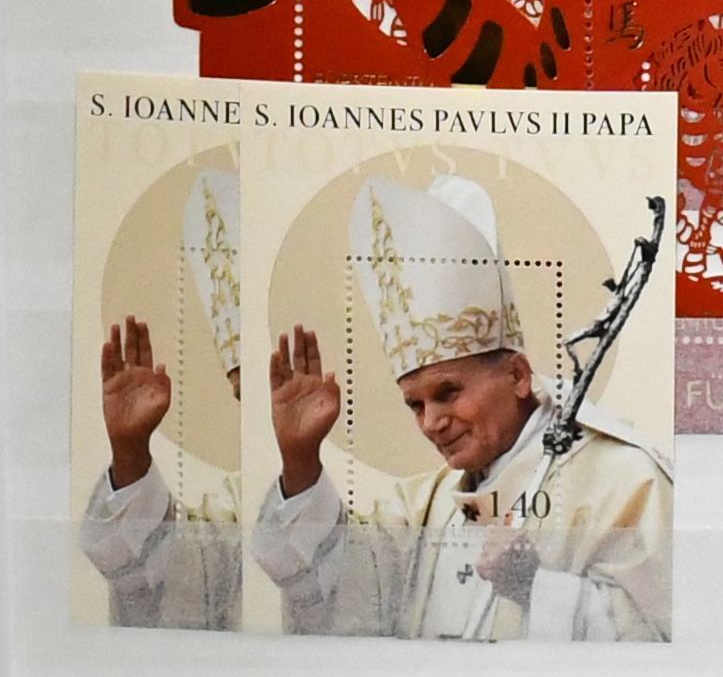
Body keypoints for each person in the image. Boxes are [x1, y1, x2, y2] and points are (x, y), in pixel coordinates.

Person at [249, 173, 672, 640]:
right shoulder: (431, 503)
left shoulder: (624, 480)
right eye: (415, 405)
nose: (432, 422)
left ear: (517, 376)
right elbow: (340, 591)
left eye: (448, 392)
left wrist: (534, 586)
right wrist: (301, 461)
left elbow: (654, 637)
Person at [79, 170, 242, 630]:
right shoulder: (234, 515)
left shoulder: (399, 512)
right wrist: (129, 451)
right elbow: (142, 573)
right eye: (243, 396)